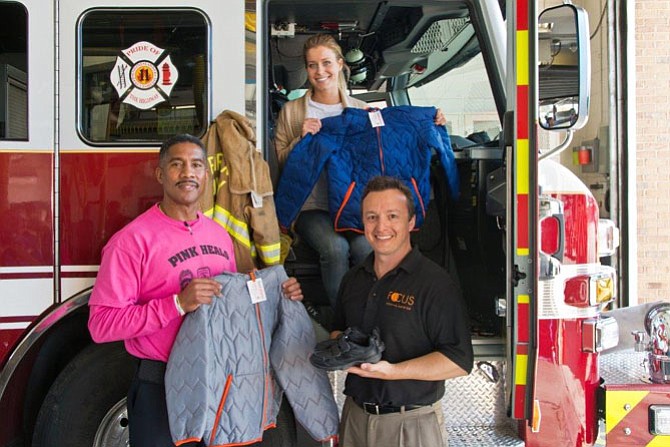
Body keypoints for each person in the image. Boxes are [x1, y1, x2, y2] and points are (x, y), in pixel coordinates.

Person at [87, 134, 303, 447]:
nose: (188, 172)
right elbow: (101, 325)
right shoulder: (131, 242)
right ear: (161, 174)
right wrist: (175, 304)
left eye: (196, 165)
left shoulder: (219, 236)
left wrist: (277, 296)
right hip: (159, 386)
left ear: (206, 175)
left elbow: (230, 308)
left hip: (219, 380)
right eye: (177, 164)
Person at [274, 33, 447, 308]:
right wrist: (301, 141)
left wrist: (432, 122)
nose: (320, 71)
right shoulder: (293, 112)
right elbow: (280, 163)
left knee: (367, 246)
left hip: (352, 205)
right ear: (306, 69)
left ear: (341, 64)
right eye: (312, 65)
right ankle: (343, 322)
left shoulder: (361, 111)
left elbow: (385, 150)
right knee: (335, 249)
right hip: (311, 208)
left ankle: (377, 315)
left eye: (326, 63)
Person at [331, 176, 473, 447]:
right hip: (355, 418)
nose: (381, 226)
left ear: (411, 223)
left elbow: (458, 361)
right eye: (372, 217)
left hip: (412, 425)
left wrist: (393, 371)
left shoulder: (435, 284)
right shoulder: (354, 279)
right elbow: (338, 330)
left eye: (392, 216)